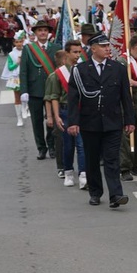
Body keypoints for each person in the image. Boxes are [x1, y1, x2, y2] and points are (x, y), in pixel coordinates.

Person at [67, 33, 135, 207]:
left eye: (108, 46)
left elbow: (125, 97)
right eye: (103, 46)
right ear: (93, 48)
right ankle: (95, 192)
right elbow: (73, 99)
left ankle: (116, 195)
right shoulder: (80, 70)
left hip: (113, 122)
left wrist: (129, 120)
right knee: (92, 159)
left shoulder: (118, 68)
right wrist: (73, 122)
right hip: (90, 122)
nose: (107, 49)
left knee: (112, 159)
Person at [46, 41, 87, 189]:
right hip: (65, 111)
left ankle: (83, 174)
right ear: (67, 54)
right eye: (74, 52)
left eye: (79, 52)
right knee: (68, 145)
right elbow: (54, 97)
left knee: (82, 144)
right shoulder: (58, 74)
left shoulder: (83, 70)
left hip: (81, 110)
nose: (77, 55)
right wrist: (55, 116)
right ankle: (68, 171)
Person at [20, 20, 61, 160]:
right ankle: (41, 148)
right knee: (36, 122)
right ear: (35, 33)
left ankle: (51, 146)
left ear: (49, 33)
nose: (43, 32)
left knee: (52, 121)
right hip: (34, 90)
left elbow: (59, 70)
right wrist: (24, 90)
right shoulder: (28, 49)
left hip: (52, 91)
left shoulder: (56, 48)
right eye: (40, 30)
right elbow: (23, 71)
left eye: (45, 30)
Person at [118, 34, 137, 181]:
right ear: (136, 47)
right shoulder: (123, 61)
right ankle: (124, 167)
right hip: (126, 99)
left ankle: (136, 163)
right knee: (126, 133)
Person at [44, 51, 66, 179]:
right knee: (60, 140)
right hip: (58, 111)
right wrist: (50, 116)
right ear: (63, 61)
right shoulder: (54, 76)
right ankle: (61, 167)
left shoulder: (73, 73)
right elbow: (48, 98)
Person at [1, 30, 27, 126]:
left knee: (26, 96)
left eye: (20, 41)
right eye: (17, 42)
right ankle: (19, 118)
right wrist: (17, 63)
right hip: (16, 77)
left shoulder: (27, 51)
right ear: (14, 43)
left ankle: (25, 108)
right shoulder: (12, 54)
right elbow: (10, 67)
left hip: (26, 76)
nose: (19, 44)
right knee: (17, 98)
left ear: (23, 41)